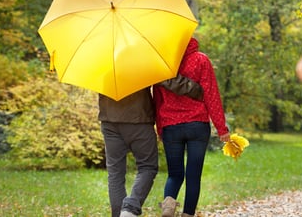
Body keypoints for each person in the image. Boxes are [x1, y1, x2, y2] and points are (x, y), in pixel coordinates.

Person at [99, 75, 203, 217]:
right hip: (138, 120)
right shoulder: (141, 57)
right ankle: (130, 209)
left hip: (108, 120)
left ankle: (120, 214)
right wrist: (195, 89)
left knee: (115, 174)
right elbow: (165, 78)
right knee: (147, 166)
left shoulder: (103, 60)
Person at [153, 37, 231, 217]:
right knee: (193, 176)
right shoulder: (201, 60)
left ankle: (168, 204)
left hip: (171, 125)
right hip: (197, 126)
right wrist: (222, 128)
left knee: (175, 174)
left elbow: (157, 100)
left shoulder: (162, 67)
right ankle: (188, 214)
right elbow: (211, 95)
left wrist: (160, 127)